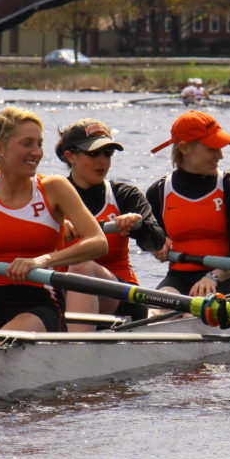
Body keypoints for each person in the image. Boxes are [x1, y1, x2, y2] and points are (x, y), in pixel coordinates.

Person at [0, 106, 107, 353]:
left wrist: (40, 261)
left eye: (39, 143)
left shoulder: (54, 187)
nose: (37, 152)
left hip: (41, 302)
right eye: (27, 143)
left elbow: (98, 241)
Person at [54, 118, 166, 327]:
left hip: (122, 300)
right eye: (93, 153)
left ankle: (76, 349)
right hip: (61, 295)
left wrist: (138, 225)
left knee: (81, 265)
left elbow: (157, 243)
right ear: (70, 156)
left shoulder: (124, 195)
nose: (102, 161)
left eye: (108, 153)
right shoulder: (49, 195)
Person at [145, 110, 230, 306]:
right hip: (177, 279)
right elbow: (151, 240)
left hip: (226, 278)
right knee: (157, 309)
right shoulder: (158, 192)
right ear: (184, 148)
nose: (220, 155)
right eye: (212, 148)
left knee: (201, 308)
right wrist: (156, 245)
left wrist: (213, 277)